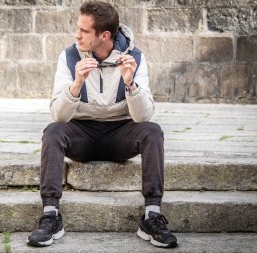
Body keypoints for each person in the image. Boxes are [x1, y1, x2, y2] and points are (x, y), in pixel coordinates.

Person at [27, 0, 178, 249]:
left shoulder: (135, 58)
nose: (77, 35)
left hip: (121, 134)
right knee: (52, 132)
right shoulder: (69, 56)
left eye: (84, 31)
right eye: (78, 28)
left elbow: (143, 116)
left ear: (104, 35)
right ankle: (50, 215)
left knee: (153, 131)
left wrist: (131, 84)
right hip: (82, 134)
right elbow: (58, 115)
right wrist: (76, 84)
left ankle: (152, 216)